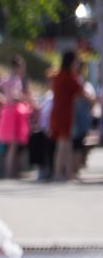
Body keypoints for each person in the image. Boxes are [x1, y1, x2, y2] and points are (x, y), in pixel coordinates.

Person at [0, 55, 32, 180]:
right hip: (14, 111)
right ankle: (10, 172)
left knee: (11, 145)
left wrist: (3, 100)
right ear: (17, 67)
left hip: (8, 110)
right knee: (13, 145)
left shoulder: (6, 78)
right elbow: (15, 95)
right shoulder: (15, 79)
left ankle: (11, 171)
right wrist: (26, 99)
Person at [48, 51, 84, 183]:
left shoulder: (57, 75)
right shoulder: (69, 76)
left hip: (59, 113)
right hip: (64, 114)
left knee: (67, 143)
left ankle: (69, 173)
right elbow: (81, 92)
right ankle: (57, 173)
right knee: (63, 144)